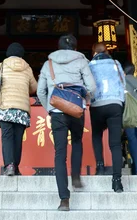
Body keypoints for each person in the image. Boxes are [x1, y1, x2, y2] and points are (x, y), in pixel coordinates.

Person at [37, 34, 96, 212]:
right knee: (77, 141)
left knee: (59, 154)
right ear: (75, 48)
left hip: (57, 112)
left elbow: (40, 90)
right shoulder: (81, 61)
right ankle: (76, 176)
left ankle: (64, 199)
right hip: (76, 110)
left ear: (59, 47)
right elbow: (92, 87)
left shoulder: (48, 64)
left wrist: (50, 107)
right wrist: (85, 99)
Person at [0, 42, 37, 176]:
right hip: (21, 109)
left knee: (7, 137)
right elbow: (34, 88)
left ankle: (9, 165)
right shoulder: (27, 68)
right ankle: (16, 166)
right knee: (18, 138)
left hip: (5, 107)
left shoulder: (2, 66)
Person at [89, 43, 125, 193]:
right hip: (115, 103)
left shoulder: (90, 65)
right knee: (115, 144)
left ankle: (100, 167)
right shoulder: (116, 63)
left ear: (93, 53)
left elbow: (88, 84)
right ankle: (117, 181)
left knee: (97, 135)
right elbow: (123, 83)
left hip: (97, 104)